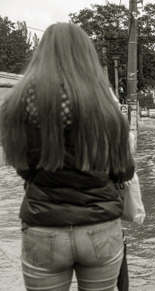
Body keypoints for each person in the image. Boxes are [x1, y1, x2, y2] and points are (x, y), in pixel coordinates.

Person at [0, 23, 135, 290]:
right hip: (100, 228)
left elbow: (22, 167)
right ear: (87, 57)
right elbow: (124, 172)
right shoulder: (107, 109)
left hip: (44, 229)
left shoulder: (16, 106)